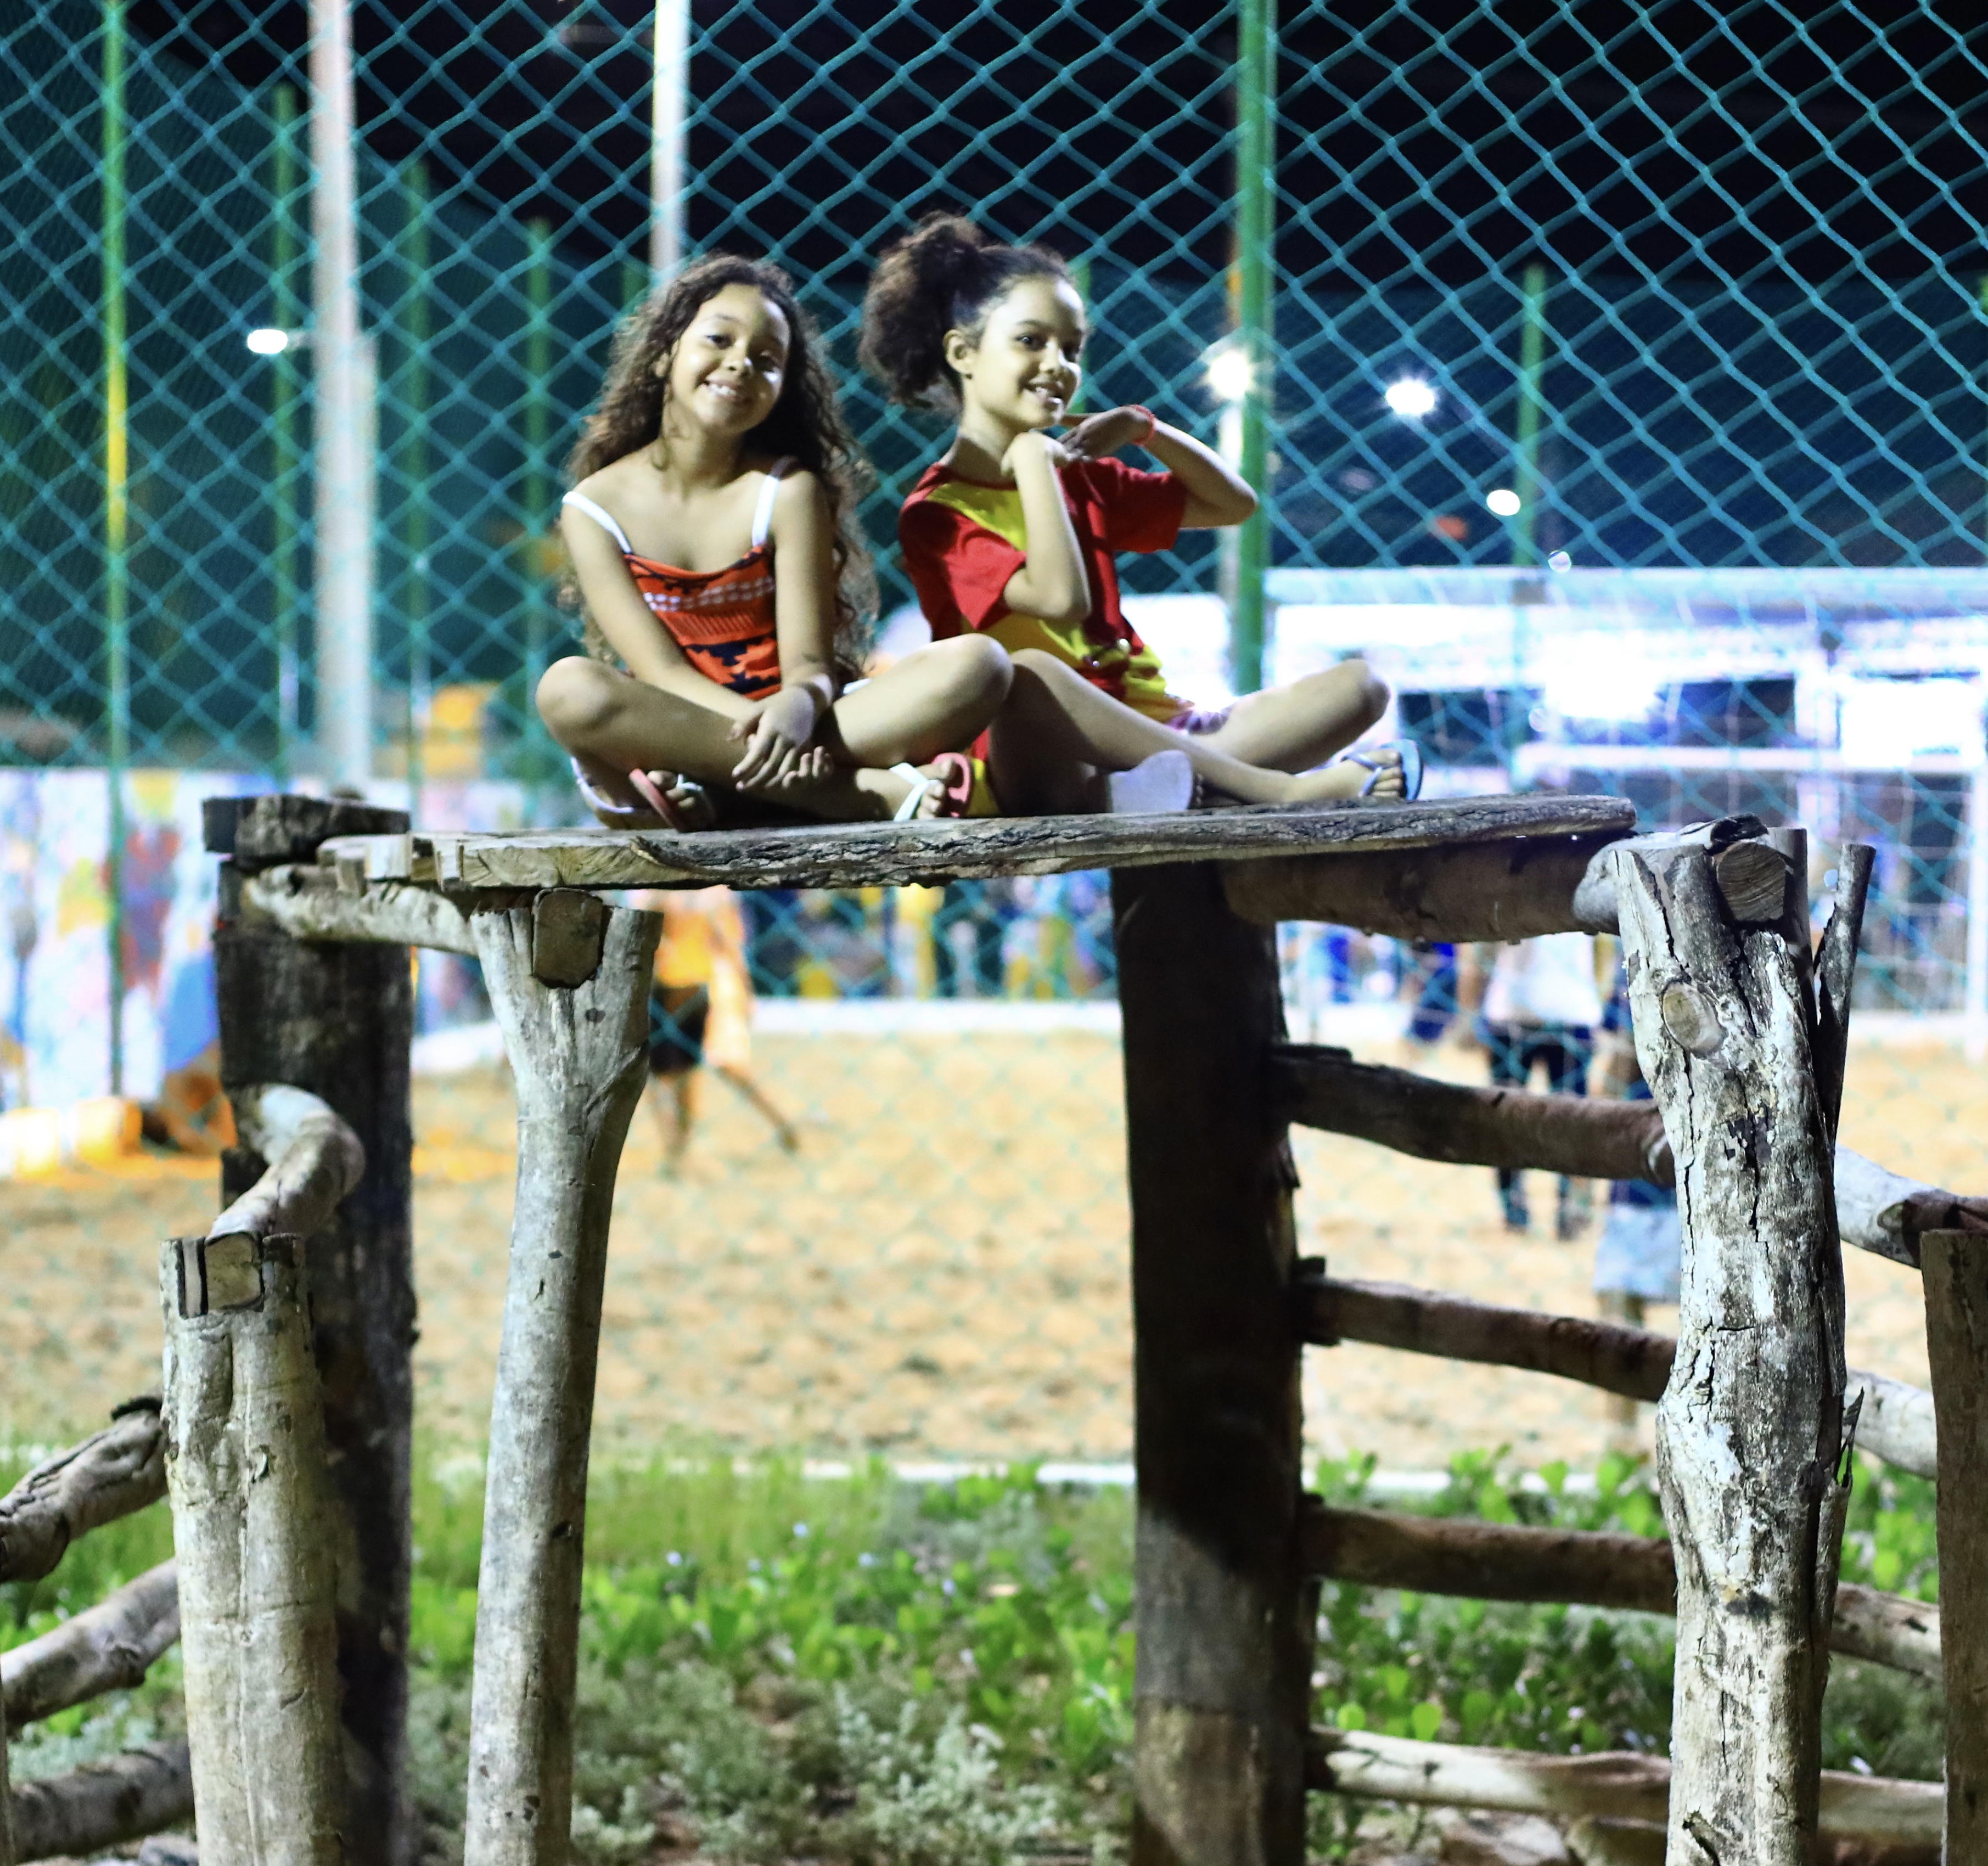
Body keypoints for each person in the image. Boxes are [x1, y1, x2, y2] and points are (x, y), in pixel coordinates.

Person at [857, 213, 1408, 816]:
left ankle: (1167, 788)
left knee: (1362, 686)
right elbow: (1059, 598)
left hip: (1161, 733)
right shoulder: (938, 512)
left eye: (1072, 348)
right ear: (963, 353)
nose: (1058, 365)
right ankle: (1274, 792)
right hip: (1038, 761)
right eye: (1031, 340)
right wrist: (1035, 464)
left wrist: (1148, 428)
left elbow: (1232, 505)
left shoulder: (1083, 478)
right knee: (1028, 672)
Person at [533, 254, 1012, 827]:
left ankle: (725, 797)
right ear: (664, 354)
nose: (739, 364)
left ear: (780, 389)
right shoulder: (593, 508)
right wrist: (772, 744)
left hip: (806, 725)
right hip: (687, 722)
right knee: (569, 690)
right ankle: (855, 797)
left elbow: (808, 665)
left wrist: (797, 711)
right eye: (718, 339)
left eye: (767, 360)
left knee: (981, 664)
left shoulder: (787, 491)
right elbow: (662, 675)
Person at [643, 885, 797, 1172]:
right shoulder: (714, 892)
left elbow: (723, 940)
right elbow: (727, 940)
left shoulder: (672, 893)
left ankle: (675, 1147)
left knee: (670, 1075)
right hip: (696, 983)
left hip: (684, 986)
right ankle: (677, 1146)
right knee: (679, 1075)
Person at [1588, 982, 1674, 1451]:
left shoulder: (1636, 969)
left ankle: (1621, 1440)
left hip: (1648, 1160)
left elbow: (1615, 1072)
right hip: (1743, 1160)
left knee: (1619, 1301)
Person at [1468, 932, 1600, 1236]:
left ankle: (1553, 1213)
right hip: (1542, 1013)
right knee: (1543, 1121)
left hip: (1557, 1013)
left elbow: (1482, 952)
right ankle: (1534, 1214)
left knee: (1562, 1123)